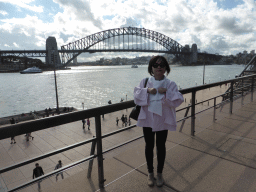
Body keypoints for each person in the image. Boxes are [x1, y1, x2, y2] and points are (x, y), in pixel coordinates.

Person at [133, 56, 184, 187]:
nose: (159, 67)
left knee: (161, 147)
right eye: (155, 65)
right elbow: (136, 96)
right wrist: (147, 91)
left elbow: (178, 99)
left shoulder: (170, 84)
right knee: (149, 146)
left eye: (162, 65)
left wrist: (166, 92)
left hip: (162, 120)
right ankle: (150, 173)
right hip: (148, 120)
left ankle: (159, 173)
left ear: (166, 68)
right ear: (151, 68)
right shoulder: (145, 82)